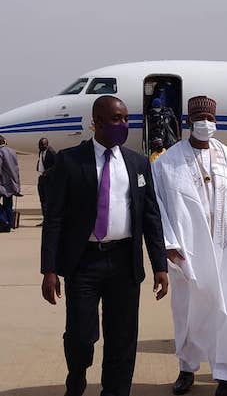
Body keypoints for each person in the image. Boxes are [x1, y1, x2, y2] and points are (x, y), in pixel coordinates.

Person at [40, 95, 169, 396]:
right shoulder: (71, 161)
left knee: (122, 338)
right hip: (83, 262)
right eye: (115, 119)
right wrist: (49, 269)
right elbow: (55, 217)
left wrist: (160, 265)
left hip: (124, 262)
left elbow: (151, 217)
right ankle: (77, 376)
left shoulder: (137, 163)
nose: (122, 124)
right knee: (81, 336)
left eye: (125, 119)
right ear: (96, 122)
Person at [152, 96, 227, 396]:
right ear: (189, 121)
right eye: (200, 118)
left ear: (216, 122)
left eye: (210, 118)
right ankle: (186, 370)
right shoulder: (167, 163)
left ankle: (225, 377)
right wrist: (168, 245)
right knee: (187, 314)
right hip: (187, 253)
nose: (206, 123)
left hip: (225, 251)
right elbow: (158, 207)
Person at [0, 134, 21, 232]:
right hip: (11, 183)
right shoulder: (12, 151)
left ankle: (4, 222)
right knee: (8, 204)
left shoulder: (0, 152)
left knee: (5, 205)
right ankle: (10, 223)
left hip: (2, 184)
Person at [36, 137, 56, 226]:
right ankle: (45, 219)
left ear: (47, 145)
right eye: (39, 145)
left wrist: (47, 172)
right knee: (42, 200)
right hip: (41, 178)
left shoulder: (51, 152)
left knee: (48, 201)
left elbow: (56, 165)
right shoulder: (41, 152)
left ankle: (49, 220)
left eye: (42, 145)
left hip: (49, 180)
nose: (40, 146)